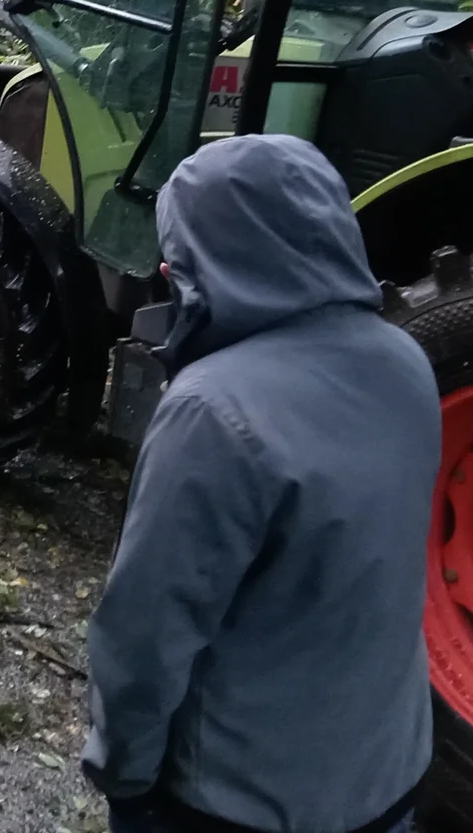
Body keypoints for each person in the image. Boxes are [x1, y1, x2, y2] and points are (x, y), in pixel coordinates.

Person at [82, 134, 438, 833]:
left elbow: (144, 638)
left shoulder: (212, 410)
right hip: (389, 775)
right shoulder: (407, 359)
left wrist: (124, 778)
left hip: (243, 801)